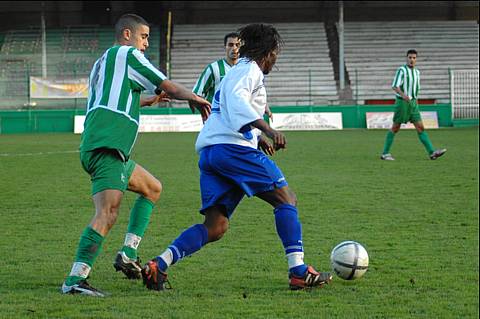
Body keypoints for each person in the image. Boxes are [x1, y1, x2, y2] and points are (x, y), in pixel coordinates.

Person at [141, 23, 332, 291]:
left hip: (212, 151)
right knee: (286, 199)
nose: (275, 60)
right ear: (266, 52)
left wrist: (257, 138)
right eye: (275, 53)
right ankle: (298, 271)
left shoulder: (238, 71)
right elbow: (237, 102)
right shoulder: (249, 69)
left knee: (216, 225)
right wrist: (267, 127)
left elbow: (230, 109)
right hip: (231, 150)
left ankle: (158, 265)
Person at [61, 13, 211, 297]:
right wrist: (195, 97)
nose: (145, 45)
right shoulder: (127, 54)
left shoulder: (102, 62)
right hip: (108, 144)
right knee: (107, 213)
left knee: (152, 188)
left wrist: (148, 100)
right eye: (144, 37)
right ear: (127, 35)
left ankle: (128, 253)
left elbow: (113, 98)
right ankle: (75, 279)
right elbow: (166, 84)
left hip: (102, 142)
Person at [190, 32, 273, 121]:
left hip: (239, 119)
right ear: (225, 47)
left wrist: (265, 106)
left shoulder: (248, 68)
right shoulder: (214, 68)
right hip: (217, 120)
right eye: (230, 45)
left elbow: (256, 91)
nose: (234, 48)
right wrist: (205, 110)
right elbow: (197, 93)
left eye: (237, 45)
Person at [381, 49, 446, 161]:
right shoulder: (401, 70)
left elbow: (416, 87)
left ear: (416, 59)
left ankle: (432, 152)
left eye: (414, 58)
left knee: (420, 128)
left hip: (414, 103)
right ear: (406, 58)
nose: (412, 60)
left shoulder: (417, 72)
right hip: (402, 103)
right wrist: (404, 95)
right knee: (395, 128)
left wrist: (415, 99)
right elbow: (395, 86)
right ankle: (385, 153)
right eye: (410, 57)